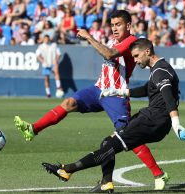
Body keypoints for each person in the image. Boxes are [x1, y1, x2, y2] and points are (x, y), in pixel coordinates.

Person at [14, 10, 167, 191]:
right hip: (98, 89)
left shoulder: (131, 42)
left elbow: (109, 54)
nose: (114, 28)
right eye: (112, 25)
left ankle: (158, 174)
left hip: (115, 95)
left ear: (128, 26)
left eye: (118, 25)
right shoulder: (113, 40)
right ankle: (34, 129)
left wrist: (89, 37)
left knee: (126, 135)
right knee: (69, 103)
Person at [41, 38, 185, 193]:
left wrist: (176, 123)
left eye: (136, 56)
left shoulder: (160, 71)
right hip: (155, 121)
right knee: (107, 142)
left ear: (147, 52)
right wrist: (119, 91)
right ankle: (106, 182)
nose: (134, 60)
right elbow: (147, 89)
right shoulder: (159, 68)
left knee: (110, 147)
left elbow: (168, 97)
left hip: (152, 120)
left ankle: (67, 170)